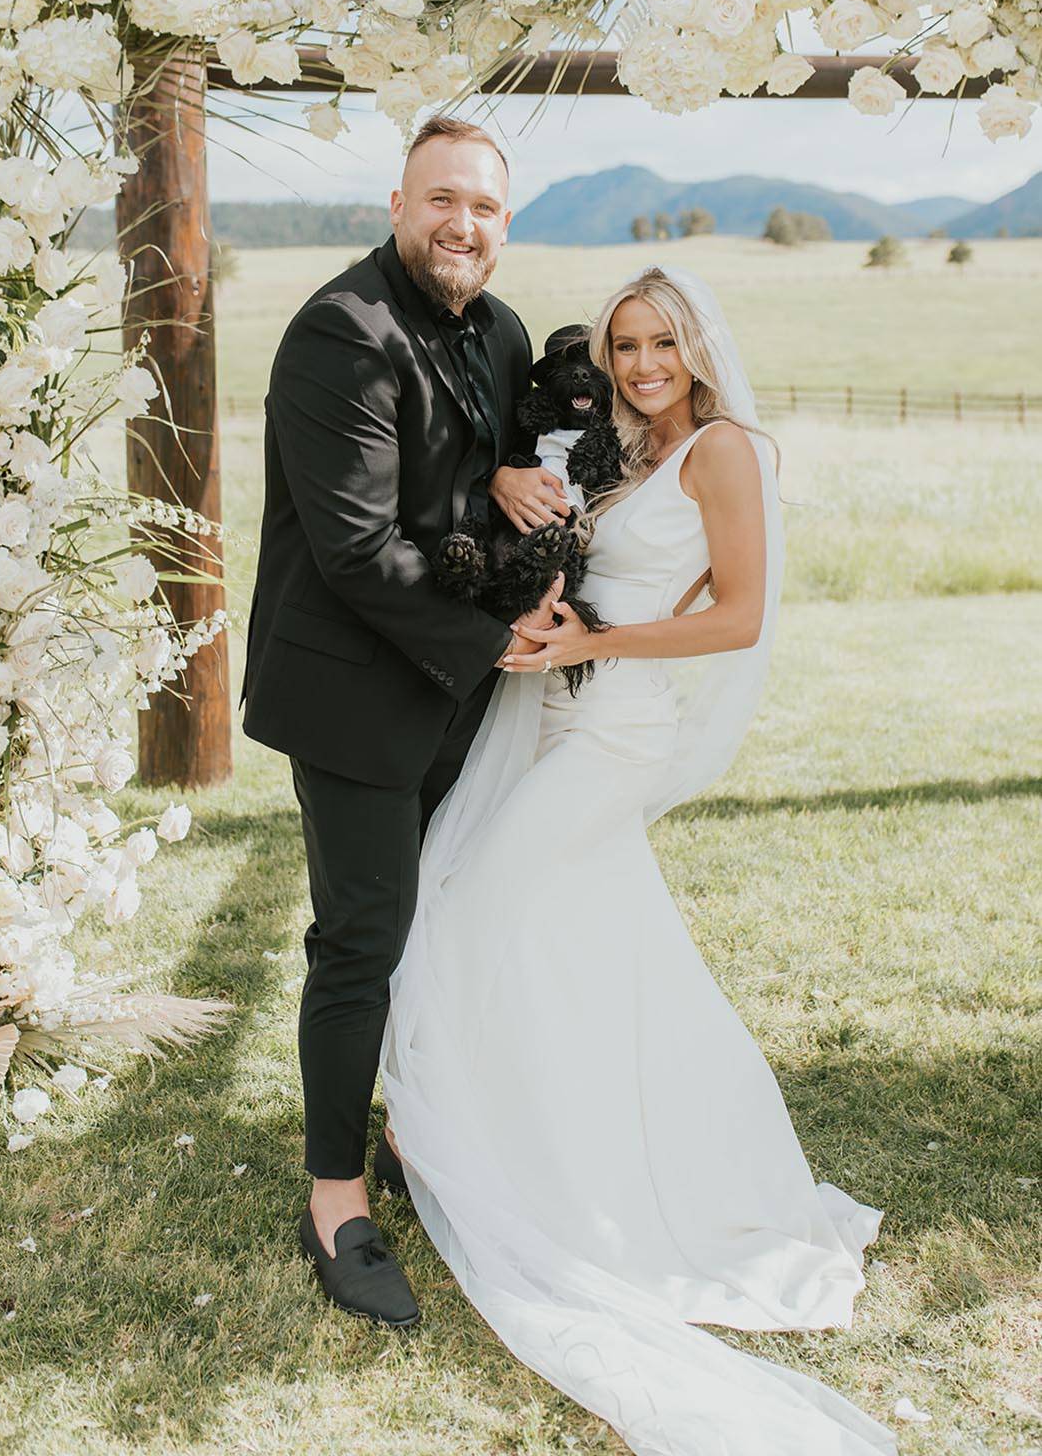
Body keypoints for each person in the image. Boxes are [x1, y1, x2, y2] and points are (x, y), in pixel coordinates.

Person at [380, 267, 898, 1455]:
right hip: (564, 710)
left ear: (698, 344)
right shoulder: (619, 450)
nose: (641, 363)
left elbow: (739, 614)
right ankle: (570, 1137)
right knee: (588, 946)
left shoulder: (722, 449)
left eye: (661, 342)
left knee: (472, 906)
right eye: (623, 344)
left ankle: (472, 1145)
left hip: (617, 731)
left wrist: (599, 635)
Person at [240, 116, 569, 1326]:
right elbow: (356, 549)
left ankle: (410, 1125)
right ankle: (335, 1193)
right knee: (364, 936)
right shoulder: (339, 332)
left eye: (481, 206)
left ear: (503, 220)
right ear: (395, 203)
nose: (461, 225)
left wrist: (503, 493)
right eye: (440, 201)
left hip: (461, 689)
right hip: (353, 687)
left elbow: (502, 465)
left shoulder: (502, 330)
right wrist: (500, 639)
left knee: (444, 924)